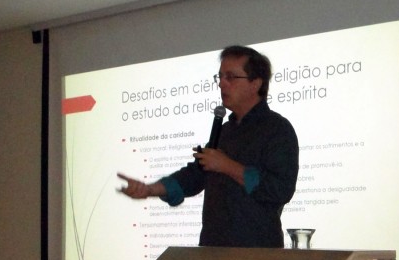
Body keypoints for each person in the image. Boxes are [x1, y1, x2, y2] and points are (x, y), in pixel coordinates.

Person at [118, 45, 299, 247]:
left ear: (255, 83)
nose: (221, 83)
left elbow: (280, 189)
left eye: (231, 77)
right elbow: (195, 175)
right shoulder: (225, 131)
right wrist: (150, 189)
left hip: (256, 253)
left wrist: (227, 166)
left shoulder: (277, 129)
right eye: (220, 77)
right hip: (212, 251)